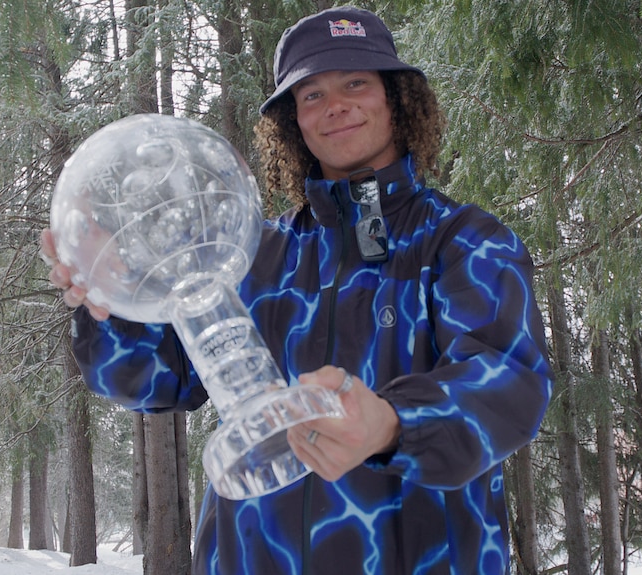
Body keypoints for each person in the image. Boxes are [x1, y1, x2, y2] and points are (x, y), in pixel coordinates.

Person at [41, 6, 553, 574]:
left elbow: (508, 384)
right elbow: (156, 381)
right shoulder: (254, 253)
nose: (334, 105)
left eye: (355, 82)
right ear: (293, 122)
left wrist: (388, 424)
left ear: (397, 98)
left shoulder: (464, 241)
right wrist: (109, 306)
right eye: (311, 95)